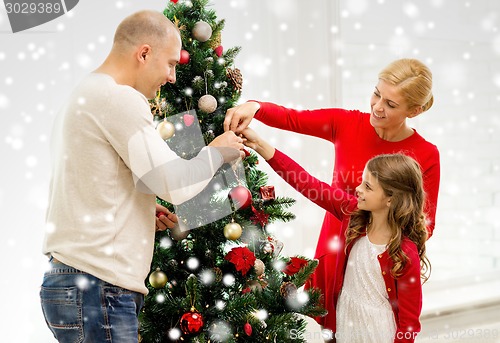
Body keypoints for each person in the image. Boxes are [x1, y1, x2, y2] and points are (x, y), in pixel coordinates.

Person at [40, 10, 244, 343]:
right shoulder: (117, 98)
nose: (173, 77)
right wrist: (218, 151)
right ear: (144, 53)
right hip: (97, 287)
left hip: (76, 281)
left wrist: (135, 209)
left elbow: (87, 181)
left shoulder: (85, 93)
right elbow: (175, 184)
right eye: (170, 64)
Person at [224, 58, 440, 330]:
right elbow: (296, 127)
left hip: (380, 264)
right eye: (376, 93)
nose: (377, 106)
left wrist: (378, 237)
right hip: (332, 253)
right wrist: (255, 107)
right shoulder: (347, 123)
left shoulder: (426, 154)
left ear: (416, 110)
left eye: (391, 104)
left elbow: (424, 223)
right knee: (321, 329)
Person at [242, 127, 430, 343]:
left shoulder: (404, 252)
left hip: (378, 334)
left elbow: (409, 323)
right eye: (361, 181)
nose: (358, 189)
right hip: (343, 325)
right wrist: (261, 146)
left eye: (367, 186)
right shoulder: (352, 212)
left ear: (390, 199)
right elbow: (307, 183)